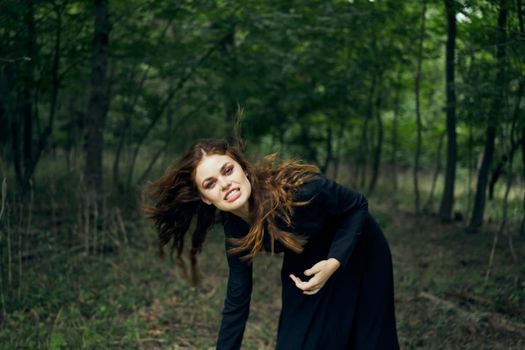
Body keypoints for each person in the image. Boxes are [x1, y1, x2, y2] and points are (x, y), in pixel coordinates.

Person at [145, 138, 400, 350]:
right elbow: (237, 300)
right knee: (296, 342)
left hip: (359, 245)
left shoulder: (301, 191)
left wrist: (334, 261)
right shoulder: (235, 229)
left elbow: (357, 206)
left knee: (370, 338)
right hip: (305, 253)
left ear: (243, 168)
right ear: (206, 198)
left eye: (227, 170)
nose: (225, 184)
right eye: (210, 184)